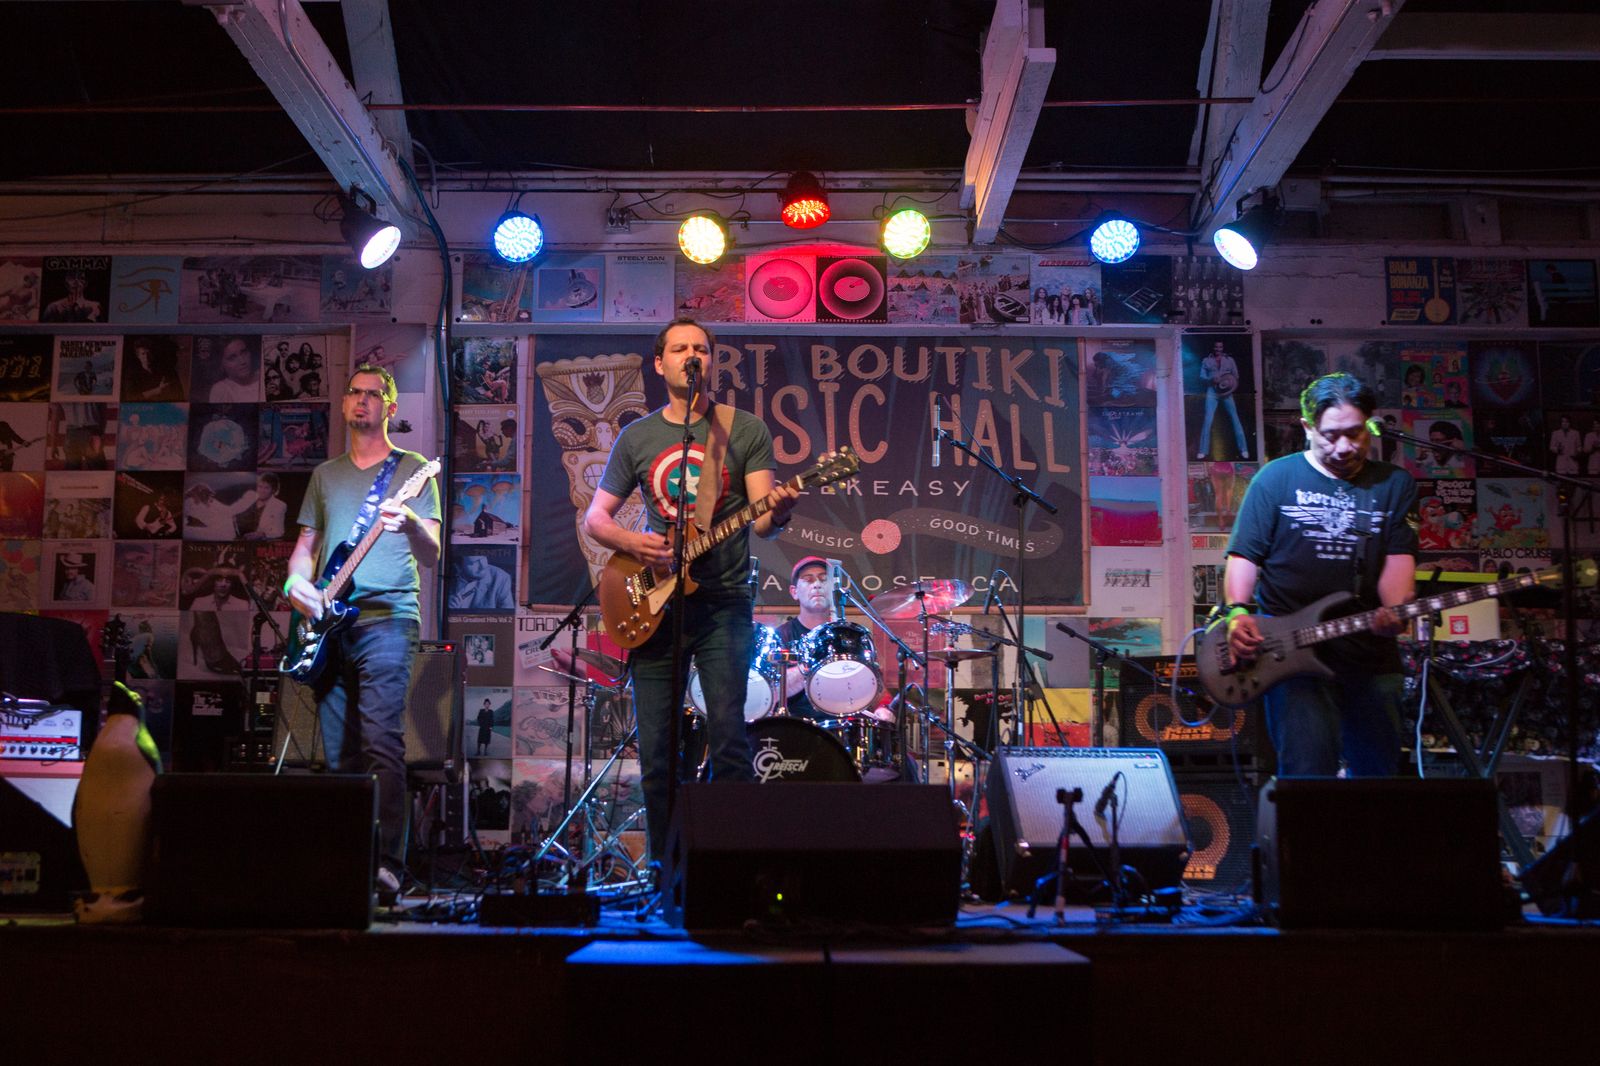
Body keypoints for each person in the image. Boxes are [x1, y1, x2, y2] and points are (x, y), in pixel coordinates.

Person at [583, 317, 799, 865]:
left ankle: (730, 866)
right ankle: (665, 870)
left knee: (728, 737)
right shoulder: (638, 437)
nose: (691, 355)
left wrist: (781, 510)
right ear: (660, 364)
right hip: (655, 602)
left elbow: (763, 522)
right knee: (657, 752)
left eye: (700, 348)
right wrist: (637, 542)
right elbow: (596, 519)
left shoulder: (742, 429)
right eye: (679, 348)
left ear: (711, 360)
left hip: (724, 602)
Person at [284, 364, 441, 900]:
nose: (362, 400)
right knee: (338, 752)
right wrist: (295, 585)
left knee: (381, 739)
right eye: (354, 391)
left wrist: (412, 524)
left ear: (391, 408)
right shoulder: (325, 475)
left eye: (374, 394)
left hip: (388, 618)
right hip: (329, 623)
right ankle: (347, 863)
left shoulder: (414, 470)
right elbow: (305, 549)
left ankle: (388, 865)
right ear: (343, 402)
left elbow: (431, 554)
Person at [1222, 372, 1417, 777]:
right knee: (1308, 774)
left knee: (1380, 778)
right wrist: (1237, 612)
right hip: (1291, 652)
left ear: (1370, 425)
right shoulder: (1276, 478)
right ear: (1307, 427)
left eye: (1355, 433)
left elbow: (1398, 561)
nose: (1344, 447)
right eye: (1331, 435)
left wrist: (1396, 610)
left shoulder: (1394, 484)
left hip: (1369, 653)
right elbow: (1244, 555)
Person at [775, 556, 834, 721]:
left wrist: (883, 707)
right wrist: (811, 663)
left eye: (824, 579)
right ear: (794, 592)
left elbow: (876, 688)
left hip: (842, 727)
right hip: (795, 727)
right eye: (808, 580)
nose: (817, 584)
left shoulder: (847, 635)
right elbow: (771, 691)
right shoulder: (780, 636)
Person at [1196, 340, 1249, 460]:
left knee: (1235, 418)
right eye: (1216, 347)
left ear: (1223, 348)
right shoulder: (1206, 360)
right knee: (1208, 420)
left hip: (1227, 392)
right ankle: (1202, 450)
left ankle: (1244, 449)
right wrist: (1210, 379)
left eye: (1220, 347)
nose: (1218, 349)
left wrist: (1229, 384)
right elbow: (1202, 376)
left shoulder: (1230, 360)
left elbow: (1236, 375)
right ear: (1213, 348)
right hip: (1212, 391)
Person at [448, 550, 513, 609]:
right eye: (474, 562)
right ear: (458, 567)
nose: (483, 565)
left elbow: (507, 616)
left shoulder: (500, 578)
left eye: (483, 558)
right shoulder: (447, 574)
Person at [207, 337, 259, 402]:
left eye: (244, 353)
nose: (242, 361)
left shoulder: (264, 375)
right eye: (232, 358)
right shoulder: (222, 390)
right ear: (221, 365)